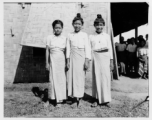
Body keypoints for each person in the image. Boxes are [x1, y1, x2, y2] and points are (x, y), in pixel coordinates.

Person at [66, 13, 91, 108]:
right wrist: (68, 61)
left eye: (79, 24)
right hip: (72, 57)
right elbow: (68, 48)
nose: (77, 25)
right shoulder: (69, 35)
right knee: (72, 78)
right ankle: (73, 97)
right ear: (73, 24)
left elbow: (87, 49)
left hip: (81, 58)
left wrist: (87, 61)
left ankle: (79, 98)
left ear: (82, 25)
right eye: (75, 23)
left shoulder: (84, 35)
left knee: (80, 78)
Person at [89, 14, 113, 107]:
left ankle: (105, 100)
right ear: (94, 26)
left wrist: (111, 61)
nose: (99, 27)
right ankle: (96, 99)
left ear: (103, 26)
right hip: (96, 57)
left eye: (101, 25)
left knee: (105, 78)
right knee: (96, 78)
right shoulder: (91, 36)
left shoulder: (107, 36)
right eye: (97, 25)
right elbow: (89, 49)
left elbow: (110, 48)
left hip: (105, 58)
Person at [45, 20, 67, 108]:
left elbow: (66, 52)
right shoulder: (49, 37)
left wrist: (66, 62)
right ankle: (52, 98)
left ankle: (60, 100)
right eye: (56, 28)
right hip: (53, 60)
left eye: (59, 28)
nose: (57, 29)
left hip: (61, 61)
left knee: (61, 80)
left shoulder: (64, 38)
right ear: (53, 28)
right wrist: (47, 62)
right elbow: (47, 50)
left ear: (62, 29)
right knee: (52, 79)